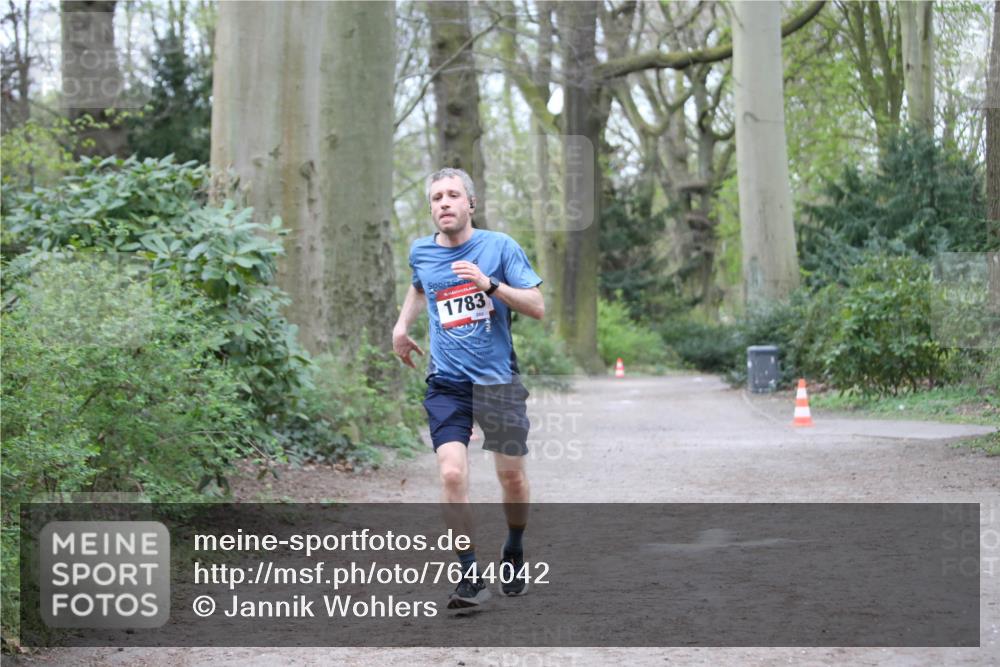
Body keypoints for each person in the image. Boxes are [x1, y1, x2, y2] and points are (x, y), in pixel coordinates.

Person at [392, 167, 544, 609]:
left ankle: (514, 548)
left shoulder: (500, 247)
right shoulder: (421, 251)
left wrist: (490, 285)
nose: (444, 202)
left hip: (498, 382)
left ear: (470, 203)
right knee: (452, 474)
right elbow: (420, 286)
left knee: (511, 477)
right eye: (436, 197)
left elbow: (537, 305)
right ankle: (469, 575)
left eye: (453, 195)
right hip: (447, 384)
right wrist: (401, 327)